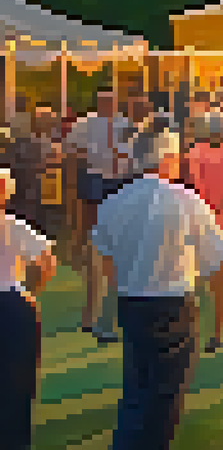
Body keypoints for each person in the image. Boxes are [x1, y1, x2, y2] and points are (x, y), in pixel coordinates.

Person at [93, 125, 223, 450]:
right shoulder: (187, 201)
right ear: (167, 158)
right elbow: (218, 267)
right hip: (174, 306)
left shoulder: (112, 203)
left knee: (137, 390)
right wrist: (218, 329)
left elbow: (105, 263)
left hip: (132, 303)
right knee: (164, 402)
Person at [64, 89, 134, 343]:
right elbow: (69, 148)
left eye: (112, 100)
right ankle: (94, 244)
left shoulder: (125, 124)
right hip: (95, 177)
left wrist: (122, 158)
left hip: (117, 179)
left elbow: (131, 150)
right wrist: (86, 154)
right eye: (104, 100)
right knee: (96, 237)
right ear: (98, 102)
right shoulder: (85, 123)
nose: (108, 104)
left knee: (115, 234)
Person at [1, 168, 58, 449]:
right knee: (18, 378)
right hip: (13, 304)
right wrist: (32, 292)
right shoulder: (14, 225)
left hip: (13, 301)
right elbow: (47, 263)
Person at [184, 111, 223, 351]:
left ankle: (214, 333)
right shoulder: (199, 152)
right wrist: (212, 205)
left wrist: (211, 206)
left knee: (212, 280)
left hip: (219, 217)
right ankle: (207, 333)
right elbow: (198, 181)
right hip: (212, 216)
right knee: (201, 280)